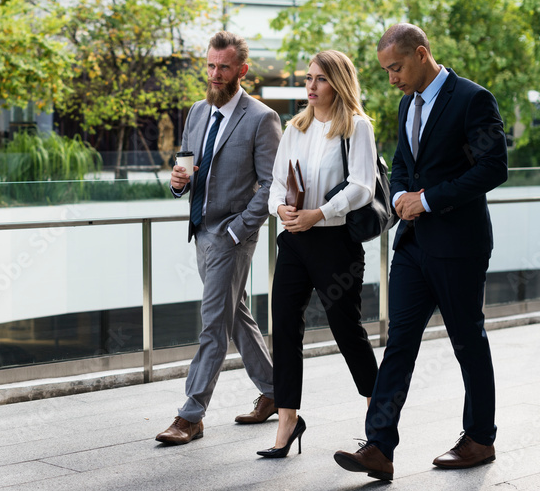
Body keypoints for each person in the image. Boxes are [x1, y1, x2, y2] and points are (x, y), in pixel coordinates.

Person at [334, 24, 508, 481]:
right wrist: (400, 195)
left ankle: (480, 438)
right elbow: (404, 165)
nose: (391, 78)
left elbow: (494, 167)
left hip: (458, 246)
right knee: (398, 344)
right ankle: (379, 447)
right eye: (386, 70)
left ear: (422, 54)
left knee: (468, 341)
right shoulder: (405, 104)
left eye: (396, 68)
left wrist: (427, 199)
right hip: (412, 246)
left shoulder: (473, 99)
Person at [156, 30, 281, 444]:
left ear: (241, 70)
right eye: (210, 65)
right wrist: (177, 182)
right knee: (235, 315)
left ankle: (191, 415)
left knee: (213, 324)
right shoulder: (195, 111)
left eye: (222, 67)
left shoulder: (262, 119)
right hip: (200, 231)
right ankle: (275, 391)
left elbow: (270, 186)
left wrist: (236, 230)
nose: (214, 74)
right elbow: (187, 169)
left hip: (231, 236)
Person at [258, 50, 379, 458]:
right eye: (308, 78)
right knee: (285, 327)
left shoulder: (356, 128)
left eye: (320, 79)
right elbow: (276, 184)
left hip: (335, 243)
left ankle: (376, 416)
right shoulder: (296, 127)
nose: (310, 86)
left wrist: (320, 214)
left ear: (339, 83)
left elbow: (362, 186)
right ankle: (288, 419)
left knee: (347, 330)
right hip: (295, 241)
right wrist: (283, 209)